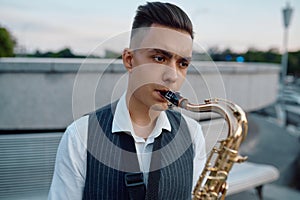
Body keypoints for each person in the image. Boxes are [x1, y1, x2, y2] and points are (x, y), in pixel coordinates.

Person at [48, 2, 206, 200]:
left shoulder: (192, 133)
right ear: (129, 60)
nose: (172, 76)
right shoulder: (80, 136)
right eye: (159, 58)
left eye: (183, 63)